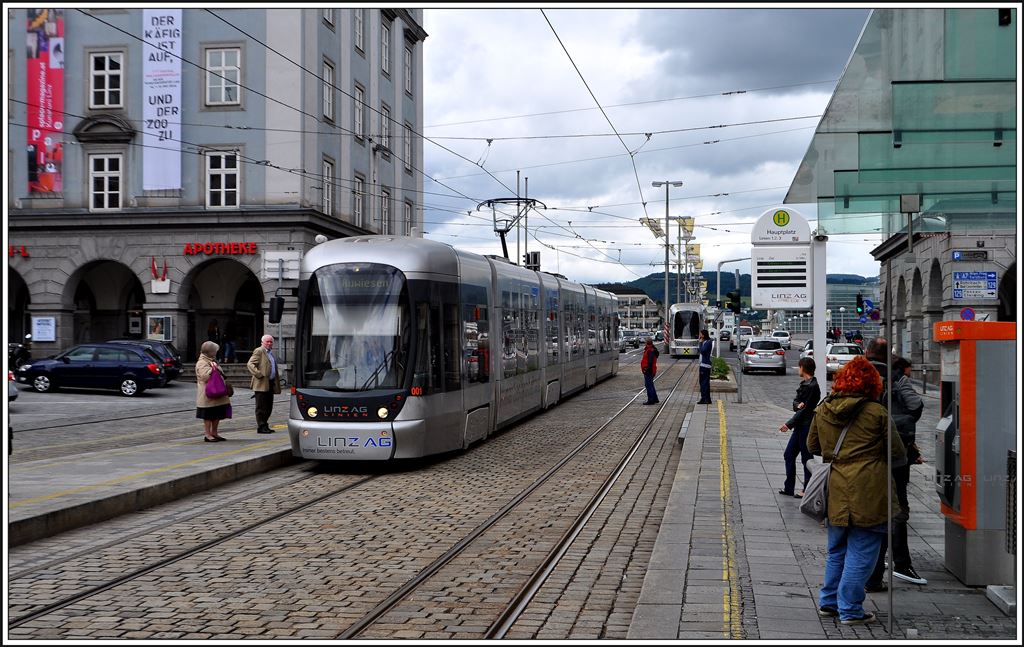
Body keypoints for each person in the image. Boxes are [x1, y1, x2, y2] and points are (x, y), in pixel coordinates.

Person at [808, 355, 906, 625]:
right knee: (863, 549)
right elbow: (897, 452)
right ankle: (850, 609)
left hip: (836, 486)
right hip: (869, 489)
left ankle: (829, 603)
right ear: (873, 383)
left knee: (837, 548)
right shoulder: (876, 413)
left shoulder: (822, 409)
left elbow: (813, 446)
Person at [865, 356, 927, 590]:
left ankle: (875, 572)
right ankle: (895, 566)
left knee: (881, 514)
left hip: (867, 468)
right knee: (896, 511)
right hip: (892, 463)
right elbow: (915, 408)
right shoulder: (896, 385)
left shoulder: (861, 395)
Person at [778, 356, 821, 497]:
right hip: (800, 426)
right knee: (789, 454)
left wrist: (788, 424)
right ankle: (789, 487)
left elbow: (804, 411)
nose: (798, 369)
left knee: (806, 458)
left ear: (803, 368)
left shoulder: (813, 387)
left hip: (806, 426)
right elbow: (796, 403)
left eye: (799, 367)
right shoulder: (805, 384)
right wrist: (797, 405)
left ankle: (807, 489)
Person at [196, 341, 231, 442]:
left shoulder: (212, 360)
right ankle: (208, 434)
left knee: (217, 413)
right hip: (208, 394)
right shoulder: (202, 362)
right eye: (214, 351)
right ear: (209, 351)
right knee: (208, 415)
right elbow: (204, 377)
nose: (216, 352)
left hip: (218, 392)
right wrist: (212, 369)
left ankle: (214, 433)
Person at [247, 334, 281, 434]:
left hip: (270, 383)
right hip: (261, 383)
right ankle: (261, 426)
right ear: (262, 342)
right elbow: (250, 364)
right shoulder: (259, 351)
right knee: (261, 406)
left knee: (268, 406)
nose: (270, 343)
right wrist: (259, 374)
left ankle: (265, 424)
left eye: (271, 342)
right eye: (267, 342)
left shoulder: (270, 353)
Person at [696, 329, 713, 404]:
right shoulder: (705, 342)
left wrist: (700, 343)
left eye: (700, 334)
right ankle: (706, 398)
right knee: (703, 382)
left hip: (705, 365)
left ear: (703, 335)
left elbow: (702, 351)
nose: (699, 336)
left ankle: (705, 399)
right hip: (702, 364)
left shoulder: (708, 342)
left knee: (704, 383)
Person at [640, 337, 659, 405]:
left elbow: (650, 362)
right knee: (650, 384)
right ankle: (655, 398)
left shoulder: (650, 350)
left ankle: (651, 400)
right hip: (650, 370)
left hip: (649, 370)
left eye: (645, 342)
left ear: (646, 343)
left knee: (648, 385)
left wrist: (647, 369)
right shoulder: (650, 349)